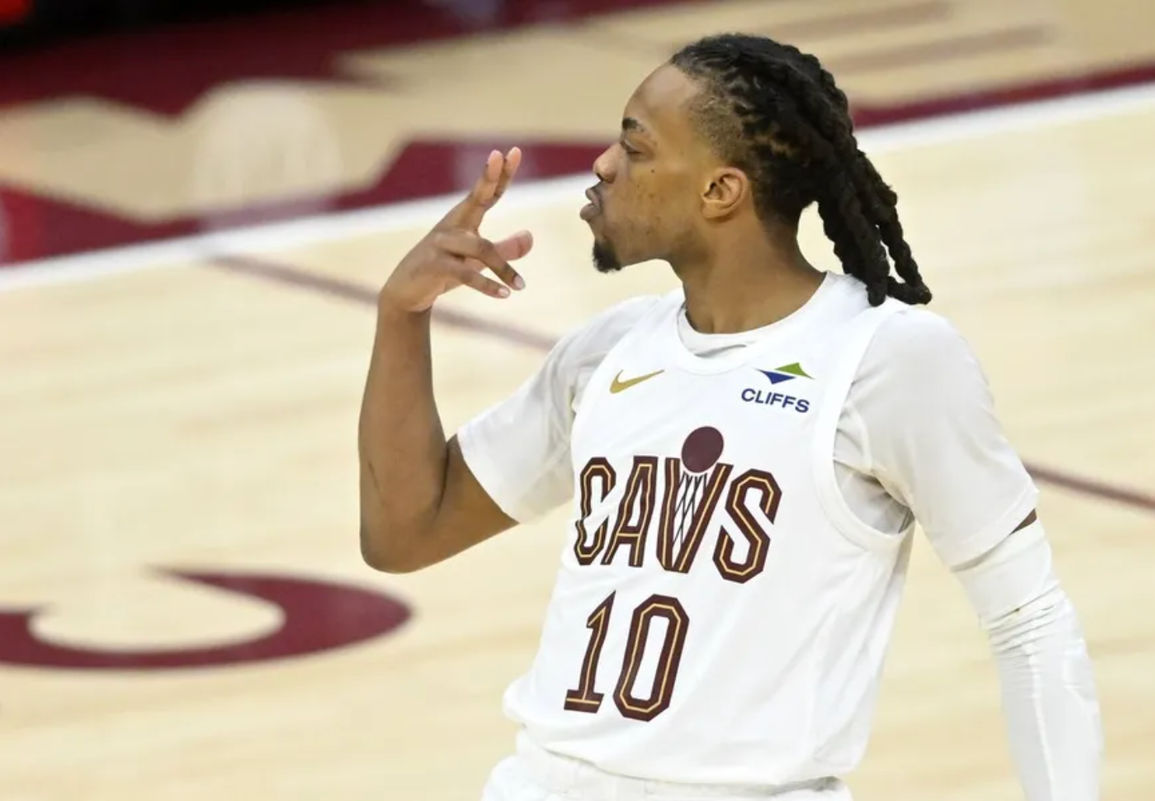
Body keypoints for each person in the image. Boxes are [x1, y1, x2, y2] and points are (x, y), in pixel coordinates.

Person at [358, 33, 1101, 801]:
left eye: (636, 148)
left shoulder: (886, 361)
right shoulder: (606, 352)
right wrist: (400, 316)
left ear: (721, 191)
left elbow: (1029, 620)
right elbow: (406, 529)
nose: (603, 165)